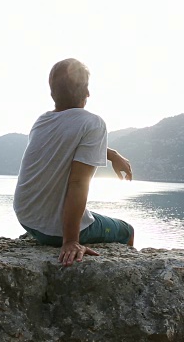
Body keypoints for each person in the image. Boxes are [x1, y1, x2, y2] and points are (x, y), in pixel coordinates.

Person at [13, 58, 134, 267]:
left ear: (52, 93)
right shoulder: (93, 123)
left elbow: (67, 146)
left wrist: (112, 154)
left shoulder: (42, 121)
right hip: (54, 230)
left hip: (27, 218)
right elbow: (78, 184)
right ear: (87, 92)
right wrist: (70, 241)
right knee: (126, 230)